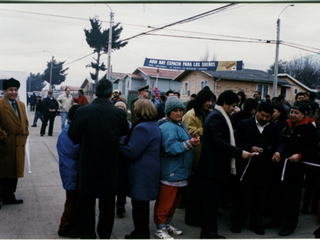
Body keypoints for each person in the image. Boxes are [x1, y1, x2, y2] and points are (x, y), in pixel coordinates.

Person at [68, 79, 129, 239]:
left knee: (86, 204)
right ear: (111, 93)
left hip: (87, 165)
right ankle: (104, 235)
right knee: (108, 205)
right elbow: (124, 131)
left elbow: (73, 136)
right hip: (110, 166)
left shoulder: (83, 111)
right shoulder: (119, 113)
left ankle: (87, 235)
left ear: (95, 92)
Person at [198, 90, 252, 239]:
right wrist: (239, 152)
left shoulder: (218, 115)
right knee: (210, 203)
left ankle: (209, 232)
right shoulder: (217, 117)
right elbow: (219, 142)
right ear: (225, 103)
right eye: (233, 105)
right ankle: (209, 233)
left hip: (213, 167)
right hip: (212, 168)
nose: (234, 109)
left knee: (212, 202)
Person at [265, 101, 319, 236]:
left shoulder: (309, 129)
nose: (293, 115)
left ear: (304, 114)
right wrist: (278, 151)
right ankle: (275, 220)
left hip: (295, 169)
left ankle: (289, 225)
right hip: (280, 165)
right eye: (292, 112)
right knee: (277, 195)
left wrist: (300, 155)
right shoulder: (285, 125)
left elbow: (314, 149)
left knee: (292, 199)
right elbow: (279, 141)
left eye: (297, 113)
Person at [231, 102, 281, 235]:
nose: (264, 119)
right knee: (242, 195)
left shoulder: (275, 127)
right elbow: (237, 141)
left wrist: (278, 152)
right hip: (247, 166)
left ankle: (256, 224)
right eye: (262, 116)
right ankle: (237, 223)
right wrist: (249, 147)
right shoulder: (244, 124)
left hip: (265, 167)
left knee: (260, 196)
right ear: (257, 112)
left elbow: (280, 142)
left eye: (268, 117)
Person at [154, 96, 200, 239]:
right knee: (165, 202)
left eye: (181, 110)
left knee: (174, 202)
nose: (179, 113)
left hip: (180, 171)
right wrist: (189, 144)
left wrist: (190, 139)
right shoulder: (168, 127)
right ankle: (160, 228)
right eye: (175, 111)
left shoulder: (179, 125)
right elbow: (170, 148)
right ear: (168, 112)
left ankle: (167, 224)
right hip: (172, 172)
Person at [120, 99, 161, 239]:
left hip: (141, 173)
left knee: (139, 207)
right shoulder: (153, 125)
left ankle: (140, 233)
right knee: (142, 206)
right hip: (149, 171)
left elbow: (131, 151)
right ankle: (141, 232)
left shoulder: (142, 127)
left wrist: (117, 145)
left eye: (136, 108)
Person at [182, 87, 215, 226]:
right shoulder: (191, 114)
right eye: (208, 100)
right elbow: (191, 132)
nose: (210, 103)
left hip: (204, 154)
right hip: (196, 155)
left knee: (201, 189)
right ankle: (192, 217)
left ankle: (199, 215)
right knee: (195, 190)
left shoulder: (205, 112)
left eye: (211, 101)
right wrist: (208, 127)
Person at [0, 78, 29, 208]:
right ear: (4, 91)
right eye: (11, 90)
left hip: (19, 144)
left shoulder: (21, 105)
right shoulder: (1, 105)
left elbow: (25, 122)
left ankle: (9, 196)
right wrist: (4, 137)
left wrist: (25, 133)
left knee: (14, 173)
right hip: (5, 145)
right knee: (3, 173)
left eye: (16, 90)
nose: (14, 92)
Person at [57, 105, 82, 238]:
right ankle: (64, 227)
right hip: (71, 172)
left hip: (72, 171)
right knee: (72, 201)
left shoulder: (72, 129)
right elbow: (75, 151)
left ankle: (72, 225)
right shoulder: (69, 131)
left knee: (75, 201)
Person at [114, 100, 131, 217]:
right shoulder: (110, 122)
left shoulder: (128, 124)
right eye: (118, 108)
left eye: (122, 108)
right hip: (112, 154)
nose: (120, 110)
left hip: (123, 155)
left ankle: (121, 204)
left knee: (122, 180)